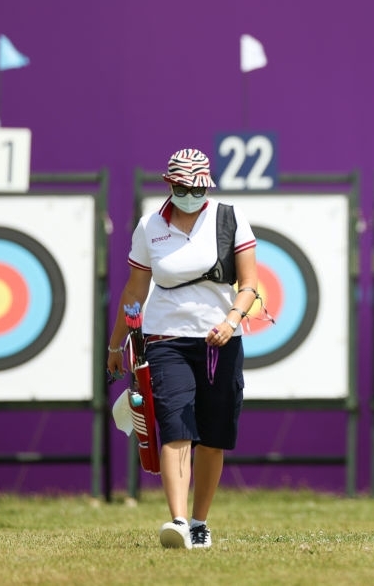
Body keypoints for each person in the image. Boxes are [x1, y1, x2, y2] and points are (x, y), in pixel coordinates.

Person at [107, 148, 260, 550]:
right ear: (169, 185)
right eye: (182, 187)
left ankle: (198, 522)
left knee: (213, 436)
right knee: (175, 426)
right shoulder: (149, 227)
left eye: (197, 187)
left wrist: (231, 322)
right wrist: (116, 343)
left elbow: (249, 285)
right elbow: (135, 289)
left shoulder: (228, 218)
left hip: (220, 340)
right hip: (165, 339)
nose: (190, 193)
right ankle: (176, 521)